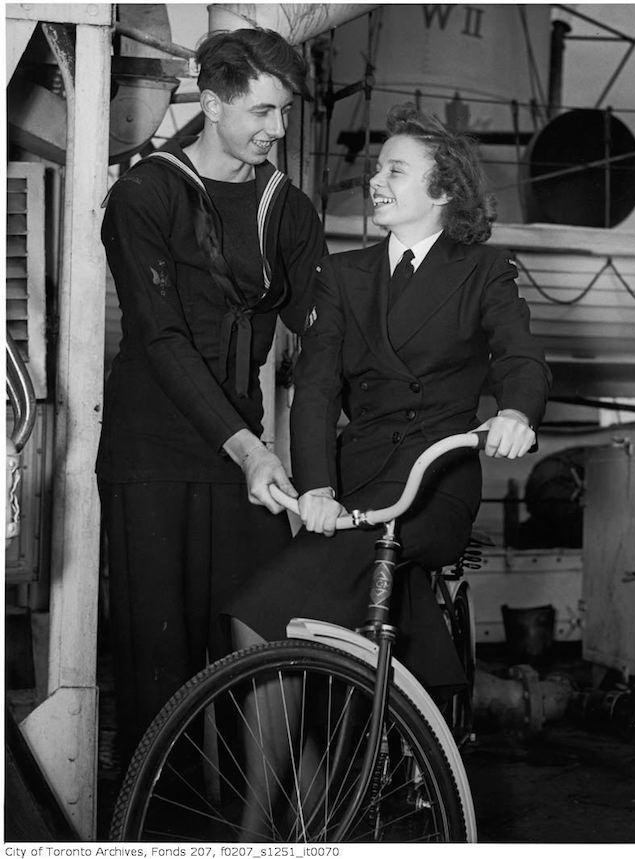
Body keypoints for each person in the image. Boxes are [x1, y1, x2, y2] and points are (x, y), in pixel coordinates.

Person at [229, 102, 552, 690]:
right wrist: (317, 485)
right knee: (292, 632)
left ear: (444, 189)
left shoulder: (485, 269)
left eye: (395, 171)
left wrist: (515, 411)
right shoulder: (343, 273)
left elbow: (519, 355)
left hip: (433, 483)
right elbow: (319, 387)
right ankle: (311, 782)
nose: (375, 182)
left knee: (266, 615)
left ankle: (303, 779)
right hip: (354, 483)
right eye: (377, 170)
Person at [97, 27, 327, 766]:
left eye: (285, 111)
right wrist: (253, 449)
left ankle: (257, 828)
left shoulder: (286, 209)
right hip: (153, 457)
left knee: (263, 641)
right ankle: (152, 832)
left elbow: (324, 331)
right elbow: (161, 339)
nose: (278, 129)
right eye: (262, 111)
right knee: (157, 679)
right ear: (216, 99)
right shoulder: (143, 193)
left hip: (244, 462)